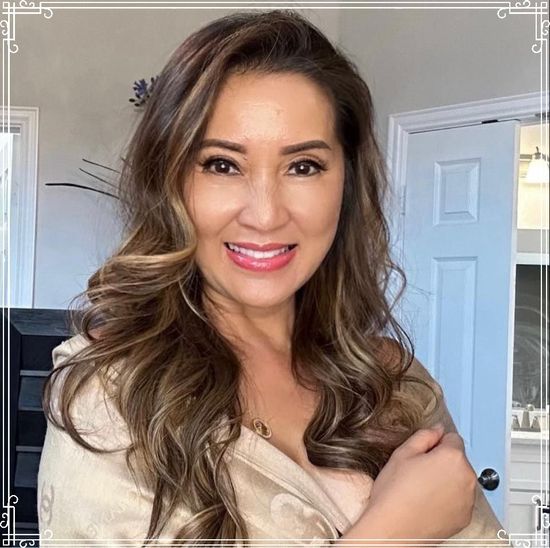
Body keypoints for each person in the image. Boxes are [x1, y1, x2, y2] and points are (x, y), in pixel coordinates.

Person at [37, 9, 507, 546]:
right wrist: (392, 532)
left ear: (346, 184)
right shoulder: (110, 396)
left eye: (303, 166)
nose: (265, 215)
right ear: (168, 182)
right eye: (221, 164)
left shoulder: (394, 383)